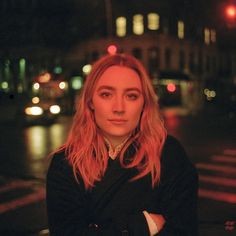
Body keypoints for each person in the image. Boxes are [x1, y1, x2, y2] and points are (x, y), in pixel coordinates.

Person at [46, 53, 198, 236]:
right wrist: (140, 225)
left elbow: (183, 229)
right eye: (106, 94)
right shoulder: (65, 163)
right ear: (90, 102)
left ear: (144, 104)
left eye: (131, 96)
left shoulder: (169, 155)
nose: (119, 108)